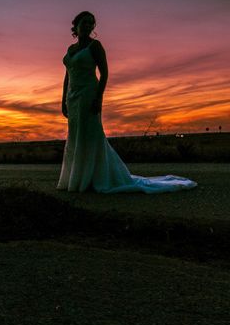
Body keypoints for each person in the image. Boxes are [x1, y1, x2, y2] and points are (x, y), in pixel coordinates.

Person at [56, 11, 197, 193]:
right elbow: (67, 75)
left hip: (88, 94)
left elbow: (104, 73)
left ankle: (93, 178)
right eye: (85, 22)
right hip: (72, 96)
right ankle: (76, 177)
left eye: (92, 23)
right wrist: (63, 100)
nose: (89, 26)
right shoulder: (70, 49)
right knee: (76, 135)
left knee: (91, 134)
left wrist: (98, 98)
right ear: (76, 25)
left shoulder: (95, 46)